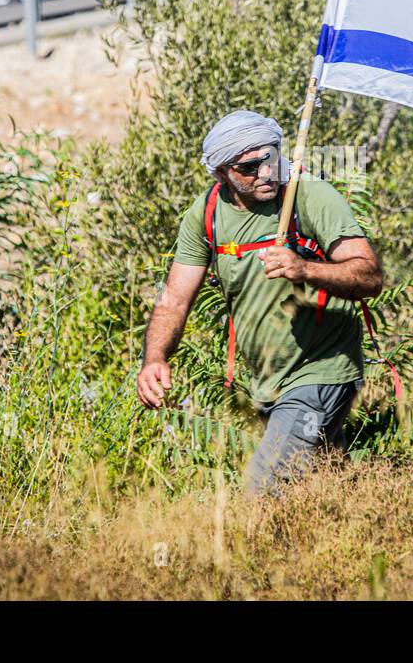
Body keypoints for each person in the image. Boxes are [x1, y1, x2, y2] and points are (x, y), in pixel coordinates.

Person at [137, 111, 386, 495]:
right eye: (249, 167)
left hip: (322, 369)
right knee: (327, 490)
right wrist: (155, 358)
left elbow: (369, 276)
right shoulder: (205, 216)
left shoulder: (308, 195)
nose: (266, 173)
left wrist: (306, 270)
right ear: (222, 172)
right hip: (267, 382)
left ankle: (251, 553)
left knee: (265, 484)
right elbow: (174, 298)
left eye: (270, 158)